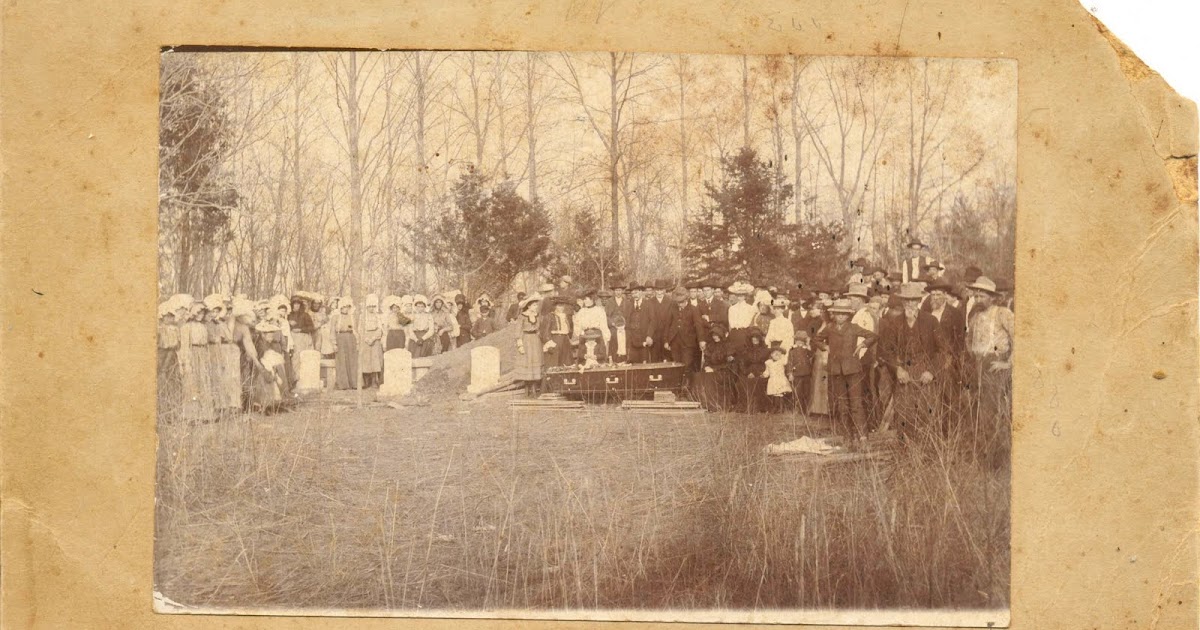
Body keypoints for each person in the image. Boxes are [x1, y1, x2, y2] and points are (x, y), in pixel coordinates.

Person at [877, 283, 946, 441]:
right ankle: (905, 452)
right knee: (903, 413)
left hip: (925, 371)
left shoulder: (931, 321)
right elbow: (887, 351)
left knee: (927, 412)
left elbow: (943, 350)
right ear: (902, 302)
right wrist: (898, 370)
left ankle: (928, 451)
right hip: (904, 372)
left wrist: (931, 371)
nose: (910, 304)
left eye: (913, 300)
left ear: (919, 301)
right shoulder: (894, 322)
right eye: (906, 301)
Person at [965, 276, 1014, 465]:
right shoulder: (976, 317)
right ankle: (981, 455)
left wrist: (1008, 363)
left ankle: (995, 460)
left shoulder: (1003, 313)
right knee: (977, 411)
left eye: (982, 296)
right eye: (976, 296)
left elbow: (1019, 337)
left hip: (995, 367)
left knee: (991, 412)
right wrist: (973, 357)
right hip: (979, 365)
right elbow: (969, 340)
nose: (978, 299)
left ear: (992, 297)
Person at [816, 299, 877, 439]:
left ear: (848, 315)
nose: (841, 317)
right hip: (836, 371)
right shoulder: (829, 328)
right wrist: (825, 347)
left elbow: (873, 336)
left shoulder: (854, 327)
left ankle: (862, 435)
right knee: (842, 404)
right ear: (834, 314)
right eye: (838, 314)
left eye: (843, 314)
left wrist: (862, 345)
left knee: (856, 403)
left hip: (853, 370)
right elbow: (817, 339)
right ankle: (847, 436)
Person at [178, 300, 215, 423]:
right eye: (198, 312)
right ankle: (192, 415)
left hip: (203, 354)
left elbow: (207, 344)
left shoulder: (203, 327)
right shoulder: (186, 327)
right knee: (192, 383)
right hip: (192, 354)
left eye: (202, 313)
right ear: (193, 313)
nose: (201, 315)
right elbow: (184, 346)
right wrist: (187, 363)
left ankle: (206, 414)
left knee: (204, 382)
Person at [663, 287, 705, 375]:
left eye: (681, 302)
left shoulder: (694, 309)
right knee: (676, 365)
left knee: (687, 365)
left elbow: (699, 326)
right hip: (675, 342)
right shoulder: (672, 309)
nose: (679, 305)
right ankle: (678, 386)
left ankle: (686, 386)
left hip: (688, 344)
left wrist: (701, 340)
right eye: (678, 302)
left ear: (686, 300)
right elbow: (667, 325)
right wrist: (666, 340)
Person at [694, 322, 736, 410]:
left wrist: (714, 369)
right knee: (698, 376)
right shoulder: (711, 346)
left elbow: (729, 364)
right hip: (711, 370)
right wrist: (706, 367)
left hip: (725, 371)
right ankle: (703, 403)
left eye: (717, 335)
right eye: (713, 335)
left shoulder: (729, 346)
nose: (715, 337)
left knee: (710, 378)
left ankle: (714, 404)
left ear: (721, 335)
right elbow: (707, 360)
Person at [514, 294, 545, 397]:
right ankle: (528, 388)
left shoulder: (537, 315)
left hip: (536, 341)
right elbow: (518, 331)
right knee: (528, 362)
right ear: (529, 306)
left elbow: (540, 328)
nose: (536, 307)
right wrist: (520, 344)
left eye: (537, 305)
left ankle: (535, 388)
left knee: (536, 361)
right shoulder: (522, 316)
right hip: (526, 340)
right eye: (534, 305)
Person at [736, 327, 771, 413]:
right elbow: (742, 363)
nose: (755, 339)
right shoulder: (746, 350)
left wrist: (757, 373)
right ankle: (746, 407)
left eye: (757, 337)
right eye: (753, 338)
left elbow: (767, 364)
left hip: (761, 371)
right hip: (748, 371)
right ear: (750, 339)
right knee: (741, 382)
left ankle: (757, 407)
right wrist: (747, 372)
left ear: (760, 339)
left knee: (757, 382)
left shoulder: (765, 350)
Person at [626, 284, 657, 364]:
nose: (634, 295)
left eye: (636, 292)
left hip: (644, 340)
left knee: (645, 365)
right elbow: (627, 323)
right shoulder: (629, 305)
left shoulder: (648, 304)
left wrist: (649, 335)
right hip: (633, 341)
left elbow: (653, 321)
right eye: (632, 293)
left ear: (641, 292)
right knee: (633, 365)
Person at [332, 297, 359, 390]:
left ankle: (354, 383)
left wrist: (357, 341)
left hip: (350, 338)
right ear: (340, 307)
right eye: (344, 307)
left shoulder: (351, 317)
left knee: (352, 360)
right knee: (341, 360)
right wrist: (334, 343)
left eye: (348, 307)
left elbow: (355, 330)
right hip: (340, 338)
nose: (346, 309)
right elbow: (332, 331)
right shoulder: (336, 317)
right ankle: (343, 384)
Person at [725, 281, 757, 355]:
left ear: (745, 296)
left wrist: (741, 325)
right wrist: (736, 326)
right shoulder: (732, 308)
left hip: (744, 333)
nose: (740, 297)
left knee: (743, 353)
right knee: (733, 353)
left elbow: (748, 322)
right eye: (738, 295)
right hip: (734, 332)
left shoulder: (750, 308)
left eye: (742, 295)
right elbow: (731, 322)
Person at [360, 294, 384, 388]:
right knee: (366, 360)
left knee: (375, 360)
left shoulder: (377, 316)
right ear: (366, 307)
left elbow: (380, 329)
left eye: (373, 306)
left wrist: (374, 338)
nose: (371, 308)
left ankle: (375, 381)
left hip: (375, 339)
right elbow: (360, 329)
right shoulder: (362, 317)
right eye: (369, 306)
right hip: (365, 339)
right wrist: (366, 339)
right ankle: (367, 382)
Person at [542, 297, 574, 368]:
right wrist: (549, 342)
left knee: (567, 361)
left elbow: (570, 330)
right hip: (555, 340)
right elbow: (545, 331)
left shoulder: (566, 316)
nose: (561, 308)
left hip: (565, 340)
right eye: (559, 306)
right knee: (555, 361)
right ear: (555, 306)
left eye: (562, 305)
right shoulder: (550, 316)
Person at [763, 346, 792, 413]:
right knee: (774, 394)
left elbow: (786, 360)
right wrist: (764, 375)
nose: (777, 355)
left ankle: (781, 408)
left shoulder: (782, 361)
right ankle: (776, 407)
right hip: (773, 379)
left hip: (780, 379)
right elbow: (767, 371)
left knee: (780, 393)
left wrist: (783, 355)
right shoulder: (768, 362)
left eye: (779, 354)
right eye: (774, 354)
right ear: (771, 355)